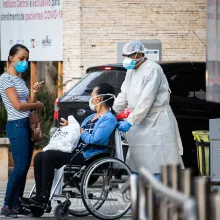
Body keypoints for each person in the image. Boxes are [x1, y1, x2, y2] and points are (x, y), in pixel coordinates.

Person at [20, 83, 117, 205]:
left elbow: (96, 140)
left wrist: (79, 130)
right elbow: (78, 134)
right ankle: (40, 195)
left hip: (90, 156)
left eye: (92, 96)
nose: (90, 99)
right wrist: (70, 127)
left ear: (98, 99)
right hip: (77, 151)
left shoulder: (109, 118)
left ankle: (44, 196)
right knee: (40, 156)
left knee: (49, 156)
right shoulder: (92, 117)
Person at [113, 40, 183, 175]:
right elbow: (124, 94)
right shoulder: (131, 71)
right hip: (139, 122)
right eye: (126, 56)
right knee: (139, 161)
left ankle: (162, 191)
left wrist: (131, 120)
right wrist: (113, 110)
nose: (127, 59)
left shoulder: (153, 69)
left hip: (156, 121)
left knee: (159, 160)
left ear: (139, 54)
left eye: (130, 56)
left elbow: (146, 99)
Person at [0, 44, 44, 217]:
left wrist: (34, 93)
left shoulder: (19, 79)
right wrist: (37, 104)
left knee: (25, 167)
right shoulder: (5, 79)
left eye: (27, 59)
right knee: (19, 167)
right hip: (16, 125)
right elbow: (18, 106)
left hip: (27, 124)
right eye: (21, 58)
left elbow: (28, 103)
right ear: (11, 58)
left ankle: (17, 204)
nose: (25, 62)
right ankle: (6, 205)